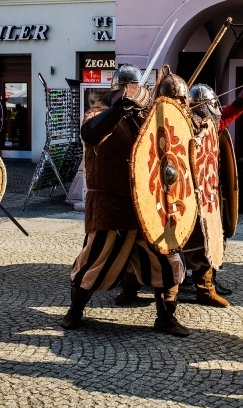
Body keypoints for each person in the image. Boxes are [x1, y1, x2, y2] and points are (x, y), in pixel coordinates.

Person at [61, 64, 190, 337]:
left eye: (132, 89)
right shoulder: (99, 114)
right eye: (123, 89)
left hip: (149, 206)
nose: (128, 92)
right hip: (112, 206)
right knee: (94, 263)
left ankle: (165, 317)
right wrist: (119, 109)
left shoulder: (148, 120)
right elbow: (91, 134)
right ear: (116, 91)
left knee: (166, 264)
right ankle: (75, 310)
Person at [117, 83, 243, 309]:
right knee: (144, 248)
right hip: (156, 199)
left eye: (184, 100)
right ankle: (130, 288)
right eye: (178, 99)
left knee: (203, 244)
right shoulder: (147, 124)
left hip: (189, 198)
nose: (182, 104)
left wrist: (240, 103)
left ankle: (205, 289)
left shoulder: (195, 124)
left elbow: (217, 125)